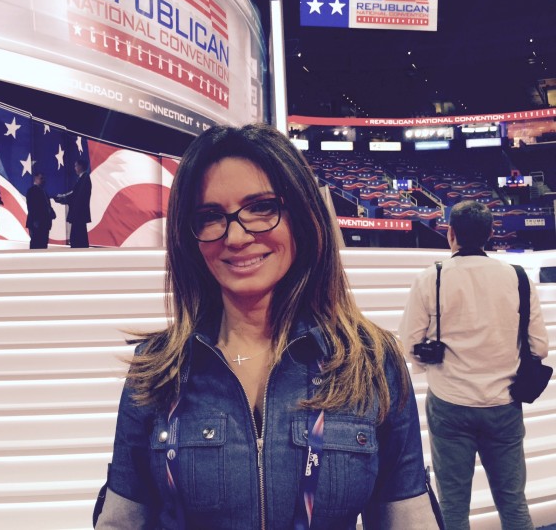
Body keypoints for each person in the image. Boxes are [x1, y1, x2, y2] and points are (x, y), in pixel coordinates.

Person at [95, 124, 438, 529]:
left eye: (261, 207)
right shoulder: (155, 370)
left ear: (304, 216)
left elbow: (410, 520)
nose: (236, 237)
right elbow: (120, 522)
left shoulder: (372, 361)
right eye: (210, 216)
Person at [399, 200, 549, 530]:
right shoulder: (517, 277)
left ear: (450, 234)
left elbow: (409, 343)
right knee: (513, 501)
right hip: (504, 403)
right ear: (491, 234)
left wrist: (430, 366)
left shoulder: (431, 277)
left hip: (450, 404)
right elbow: (539, 345)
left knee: (453, 506)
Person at [55, 158, 92, 248]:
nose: (75, 168)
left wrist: (63, 198)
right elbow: (74, 194)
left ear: (80, 166)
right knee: (78, 238)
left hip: (79, 214)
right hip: (79, 215)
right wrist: (63, 197)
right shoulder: (82, 178)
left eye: (76, 166)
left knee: (78, 239)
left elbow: (76, 195)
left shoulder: (85, 178)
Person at [25, 172, 56, 249]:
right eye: (41, 178)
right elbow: (31, 207)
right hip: (36, 223)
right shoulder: (32, 191)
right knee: (36, 244)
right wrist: (35, 220)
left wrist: (51, 213)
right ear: (35, 179)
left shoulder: (44, 192)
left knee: (43, 244)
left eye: (44, 178)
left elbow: (46, 206)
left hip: (44, 223)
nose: (43, 180)